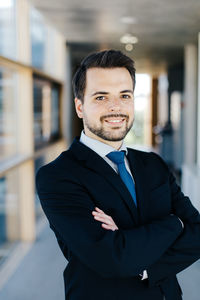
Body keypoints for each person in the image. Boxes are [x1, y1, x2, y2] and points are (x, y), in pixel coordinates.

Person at [36, 49, 200, 300]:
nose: (116, 107)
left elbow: (197, 233)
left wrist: (138, 255)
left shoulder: (153, 164)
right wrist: (175, 223)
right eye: (101, 97)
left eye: (125, 95)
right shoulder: (57, 176)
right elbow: (111, 258)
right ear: (80, 107)